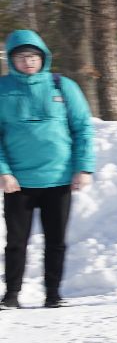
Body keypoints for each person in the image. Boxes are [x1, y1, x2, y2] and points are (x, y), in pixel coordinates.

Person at [0, 29, 95, 309]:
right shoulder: (2, 90)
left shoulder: (62, 86)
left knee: (56, 241)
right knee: (16, 242)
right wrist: (4, 172)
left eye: (33, 56)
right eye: (20, 57)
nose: (28, 62)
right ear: (11, 60)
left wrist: (84, 168)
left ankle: (53, 294)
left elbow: (83, 129)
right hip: (18, 183)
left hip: (59, 179)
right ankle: (11, 295)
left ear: (43, 57)